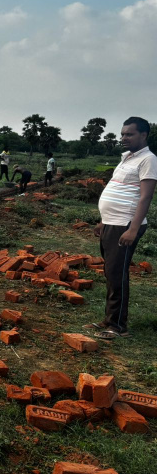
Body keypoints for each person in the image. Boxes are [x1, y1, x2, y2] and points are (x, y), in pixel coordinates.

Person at [88, 116, 157, 340]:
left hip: (125, 226)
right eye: (123, 134)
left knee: (118, 275)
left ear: (144, 135)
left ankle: (118, 326)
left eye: (130, 134)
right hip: (112, 223)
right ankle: (109, 319)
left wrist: (133, 228)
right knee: (110, 272)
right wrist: (103, 220)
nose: (124, 138)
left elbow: (145, 197)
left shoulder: (148, 159)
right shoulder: (126, 158)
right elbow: (119, 190)